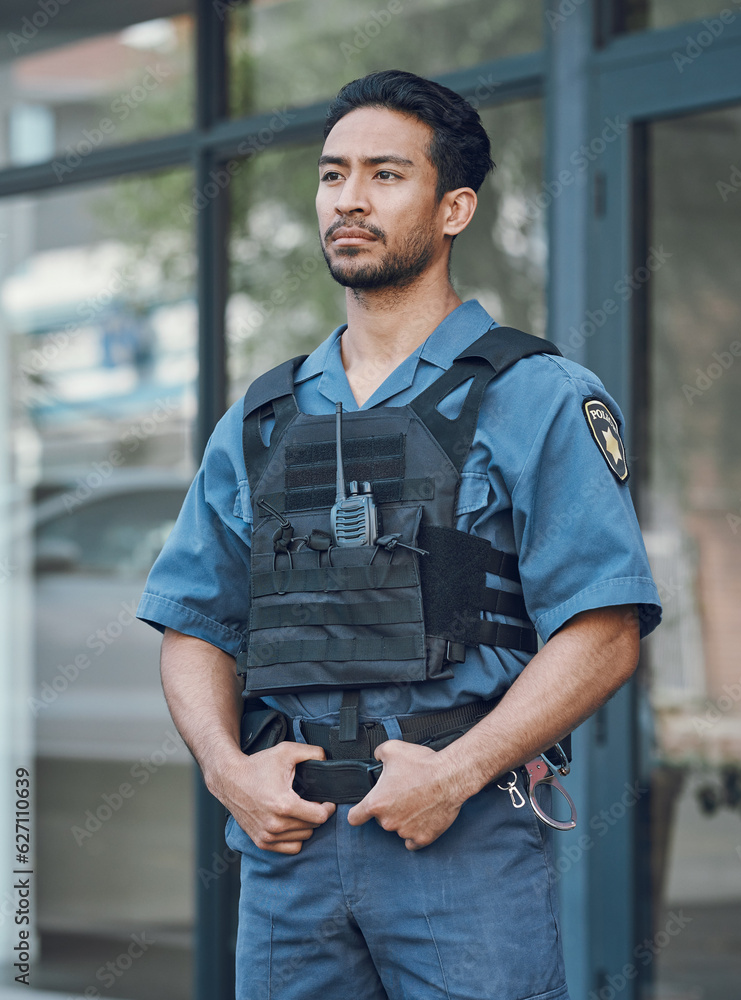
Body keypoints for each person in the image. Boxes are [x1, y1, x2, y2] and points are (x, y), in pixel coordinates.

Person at [138, 69, 662, 1000]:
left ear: (454, 206)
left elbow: (604, 631)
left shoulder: (536, 395)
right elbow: (194, 625)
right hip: (287, 841)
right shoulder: (260, 419)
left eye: (386, 174)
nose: (349, 198)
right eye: (334, 173)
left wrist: (454, 775)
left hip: (457, 834)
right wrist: (228, 773)